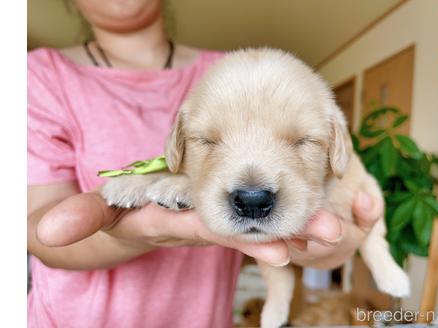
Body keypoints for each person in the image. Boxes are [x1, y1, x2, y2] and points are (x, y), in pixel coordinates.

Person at [27, 1, 384, 327]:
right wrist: (138, 233)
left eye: (299, 141)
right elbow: (34, 229)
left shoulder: (244, 70)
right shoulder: (35, 76)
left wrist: (320, 245)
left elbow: (330, 192)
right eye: (209, 141)